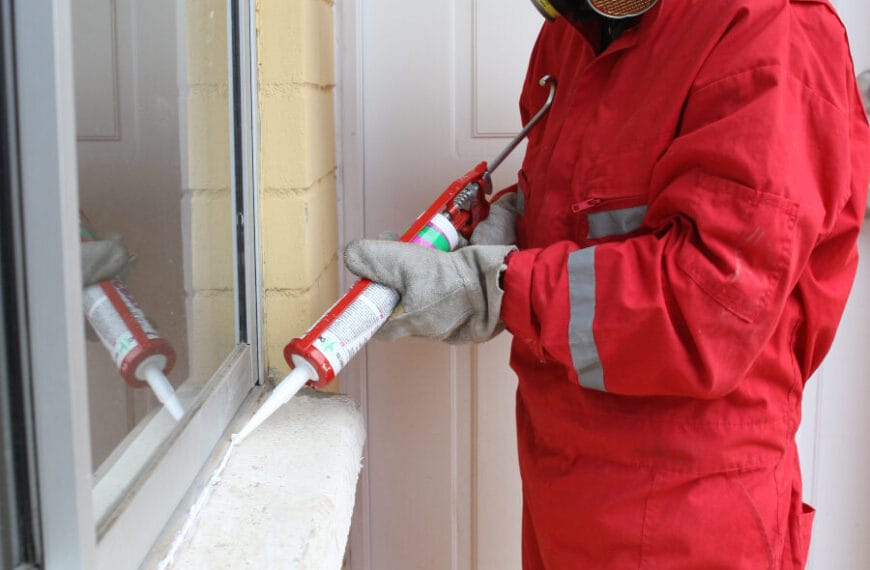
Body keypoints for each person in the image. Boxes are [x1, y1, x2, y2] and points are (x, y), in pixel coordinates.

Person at [344, 0, 870, 567]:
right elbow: (583, 204)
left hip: (690, 510)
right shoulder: (568, 37)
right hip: (559, 482)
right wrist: (513, 221)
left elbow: (709, 304)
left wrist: (496, 286)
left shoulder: (770, 30)